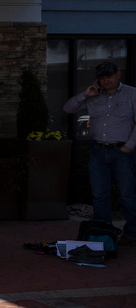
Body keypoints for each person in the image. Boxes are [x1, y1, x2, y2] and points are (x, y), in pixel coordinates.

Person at [63, 60, 136, 246]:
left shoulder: (131, 93)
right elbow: (68, 108)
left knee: (128, 195)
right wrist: (85, 94)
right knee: (100, 195)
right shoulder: (93, 96)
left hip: (122, 152)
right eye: (102, 78)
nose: (106, 81)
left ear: (118, 75)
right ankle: (104, 232)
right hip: (97, 151)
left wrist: (129, 147)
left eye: (109, 77)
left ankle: (132, 234)